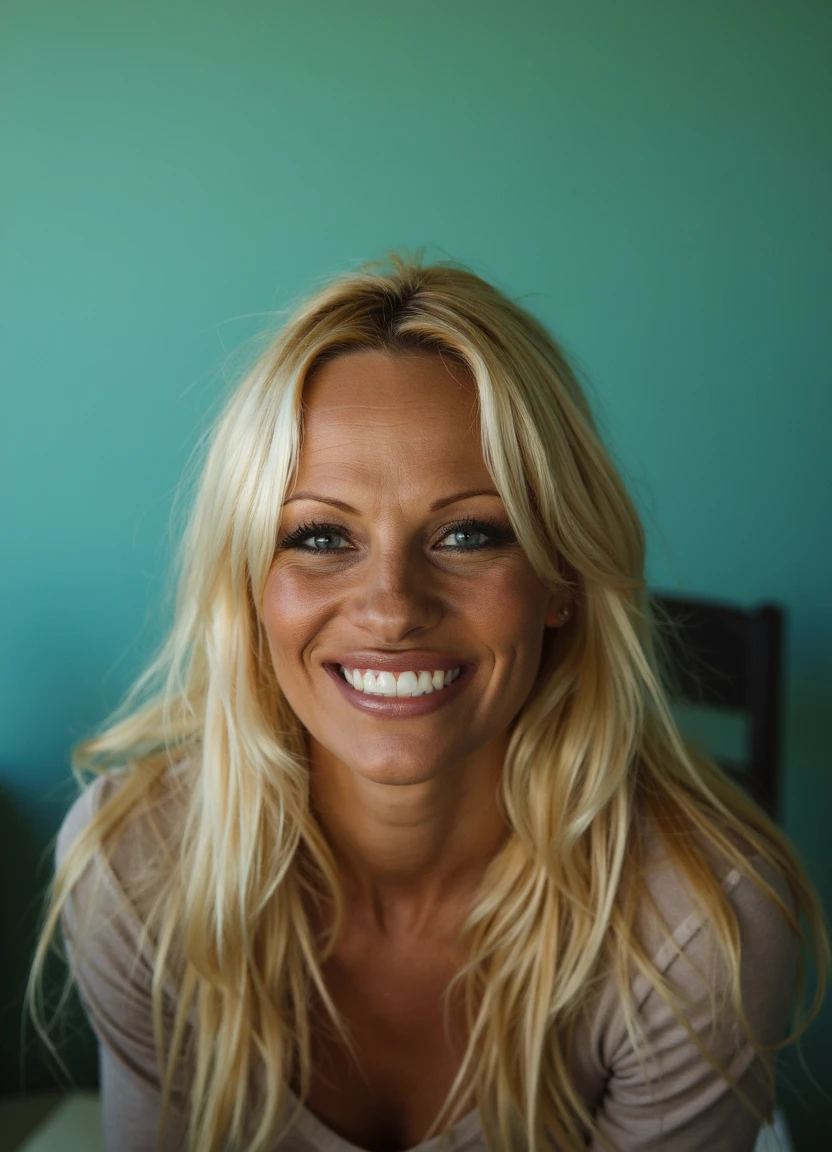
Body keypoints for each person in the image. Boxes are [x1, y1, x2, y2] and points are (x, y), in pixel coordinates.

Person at [28, 254, 829, 1152]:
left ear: (560, 577)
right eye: (321, 536)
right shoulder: (135, 867)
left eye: (467, 534)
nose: (392, 608)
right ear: (252, 588)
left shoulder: (701, 929)